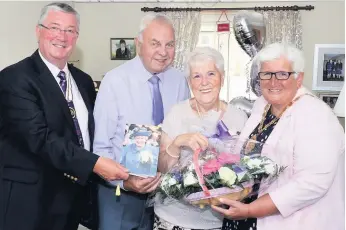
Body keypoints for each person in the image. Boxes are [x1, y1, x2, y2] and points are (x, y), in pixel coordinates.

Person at [0, 3, 129, 230]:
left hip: (71, 200)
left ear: (77, 36)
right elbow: (39, 138)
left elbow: (92, 132)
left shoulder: (84, 81)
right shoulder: (14, 78)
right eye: (54, 27)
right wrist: (96, 164)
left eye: (70, 30)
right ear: (38, 30)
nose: (62, 36)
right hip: (29, 201)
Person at [211, 43, 345, 230]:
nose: (273, 82)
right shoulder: (261, 105)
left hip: (294, 222)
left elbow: (312, 183)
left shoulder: (316, 115)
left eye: (282, 74)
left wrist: (250, 210)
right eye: (267, 74)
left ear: (299, 78)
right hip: (244, 215)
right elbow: (245, 156)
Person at [93, 13, 190, 230]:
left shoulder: (180, 82)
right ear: (139, 44)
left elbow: (182, 136)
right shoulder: (114, 81)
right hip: (119, 195)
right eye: (155, 43)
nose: (163, 52)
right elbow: (100, 147)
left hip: (166, 197)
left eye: (170, 44)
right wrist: (124, 182)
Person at [154, 47, 248, 230]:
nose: (204, 82)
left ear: (222, 77)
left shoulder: (238, 117)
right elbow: (162, 167)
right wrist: (177, 144)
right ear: (190, 82)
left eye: (211, 73)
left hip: (218, 221)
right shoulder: (177, 113)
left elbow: (245, 171)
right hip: (173, 221)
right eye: (197, 76)